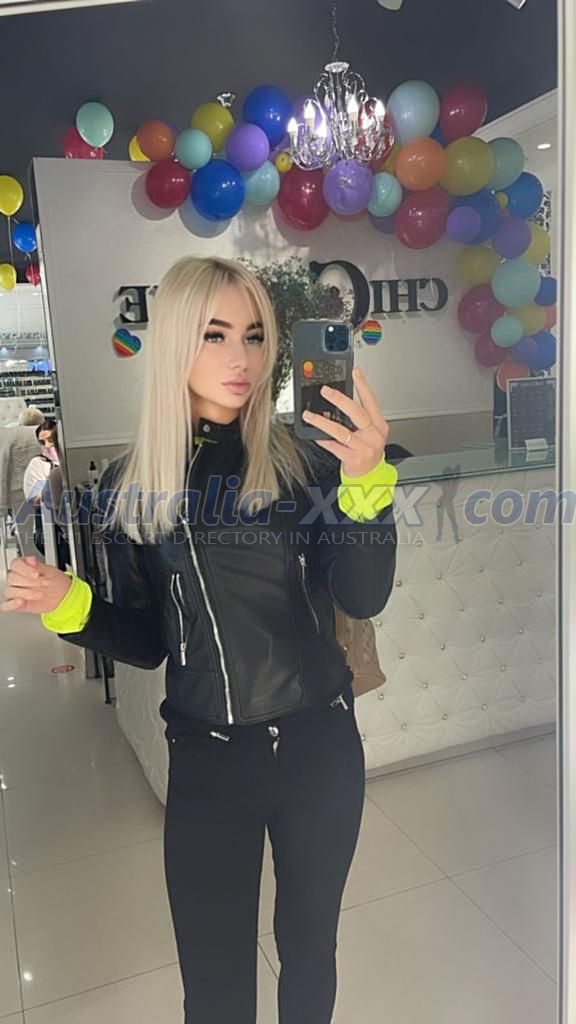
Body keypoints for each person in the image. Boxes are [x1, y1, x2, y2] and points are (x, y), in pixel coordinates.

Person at [0, 256, 398, 1024]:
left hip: (320, 748)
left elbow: (362, 596)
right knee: (215, 993)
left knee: (310, 951)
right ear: (177, 342)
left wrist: (369, 486)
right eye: (215, 334)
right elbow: (149, 638)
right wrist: (68, 604)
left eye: (254, 335)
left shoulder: (307, 461)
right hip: (210, 761)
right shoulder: (129, 484)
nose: (240, 356)